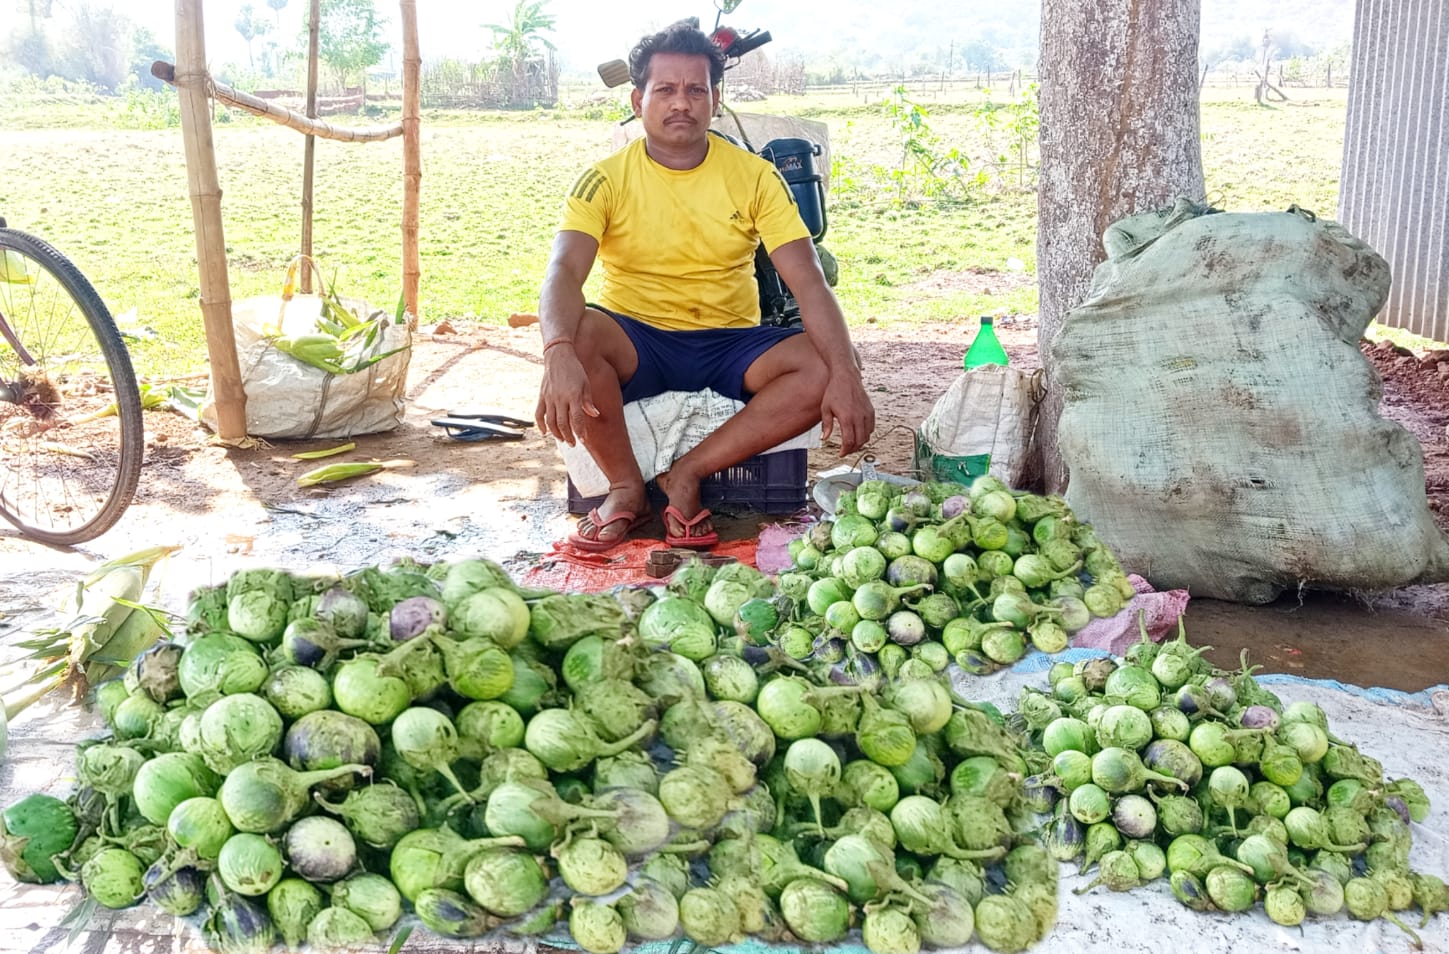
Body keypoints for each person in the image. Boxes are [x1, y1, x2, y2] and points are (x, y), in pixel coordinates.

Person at [534, 20, 875, 552]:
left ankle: (686, 473)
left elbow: (808, 280)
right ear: (638, 100)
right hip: (637, 341)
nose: (681, 103)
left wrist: (847, 373)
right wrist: (556, 351)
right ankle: (626, 489)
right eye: (665, 89)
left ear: (715, 100)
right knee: (578, 335)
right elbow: (562, 273)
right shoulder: (605, 179)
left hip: (730, 343)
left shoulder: (756, 175)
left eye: (696, 90)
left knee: (825, 362)